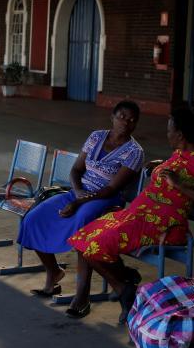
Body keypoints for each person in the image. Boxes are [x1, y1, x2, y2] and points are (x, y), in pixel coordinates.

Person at [66, 106, 194, 323]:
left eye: (169, 130)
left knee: (95, 247)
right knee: (82, 238)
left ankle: (124, 290)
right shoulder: (178, 154)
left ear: (180, 134)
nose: (166, 134)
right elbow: (179, 168)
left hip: (162, 224)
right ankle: (124, 286)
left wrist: (178, 184)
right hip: (137, 215)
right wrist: (160, 166)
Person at [19, 101, 144, 297]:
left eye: (132, 120)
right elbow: (77, 169)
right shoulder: (96, 136)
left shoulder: (135, 152)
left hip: (107, 200)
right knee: (33, 218)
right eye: (122, 117)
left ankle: (81, 296)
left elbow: (112, 189)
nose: (126, 123)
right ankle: (53, 271)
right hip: (78, 192)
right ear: (112, 117)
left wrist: (78, 202)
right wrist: (76, 192)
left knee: (82, 224)